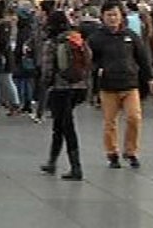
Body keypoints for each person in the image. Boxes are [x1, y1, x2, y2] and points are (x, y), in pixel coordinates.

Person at [88, 0, 153, 169]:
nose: (112, 18)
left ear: (121, 16)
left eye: (115, 15)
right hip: (108, 86)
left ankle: (131, 151)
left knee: (134, 118)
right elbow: (89, 60)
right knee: (110, 122)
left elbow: (143, 58)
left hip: (129, 84)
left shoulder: (130, 36)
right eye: (109, 15)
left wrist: (150, 77)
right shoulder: (96, 38)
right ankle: (112, 153)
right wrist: (97, 70)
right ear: (103, 17)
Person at [39, 10, 91, 180]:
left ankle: (76, 167)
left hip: (60, 88)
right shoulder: (76, 38)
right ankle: (52, 162)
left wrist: (45, 86)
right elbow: (88, 60)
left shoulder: (52, 43)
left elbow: (47, 69)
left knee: (66, 127)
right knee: (60, 124)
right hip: (79, 87)